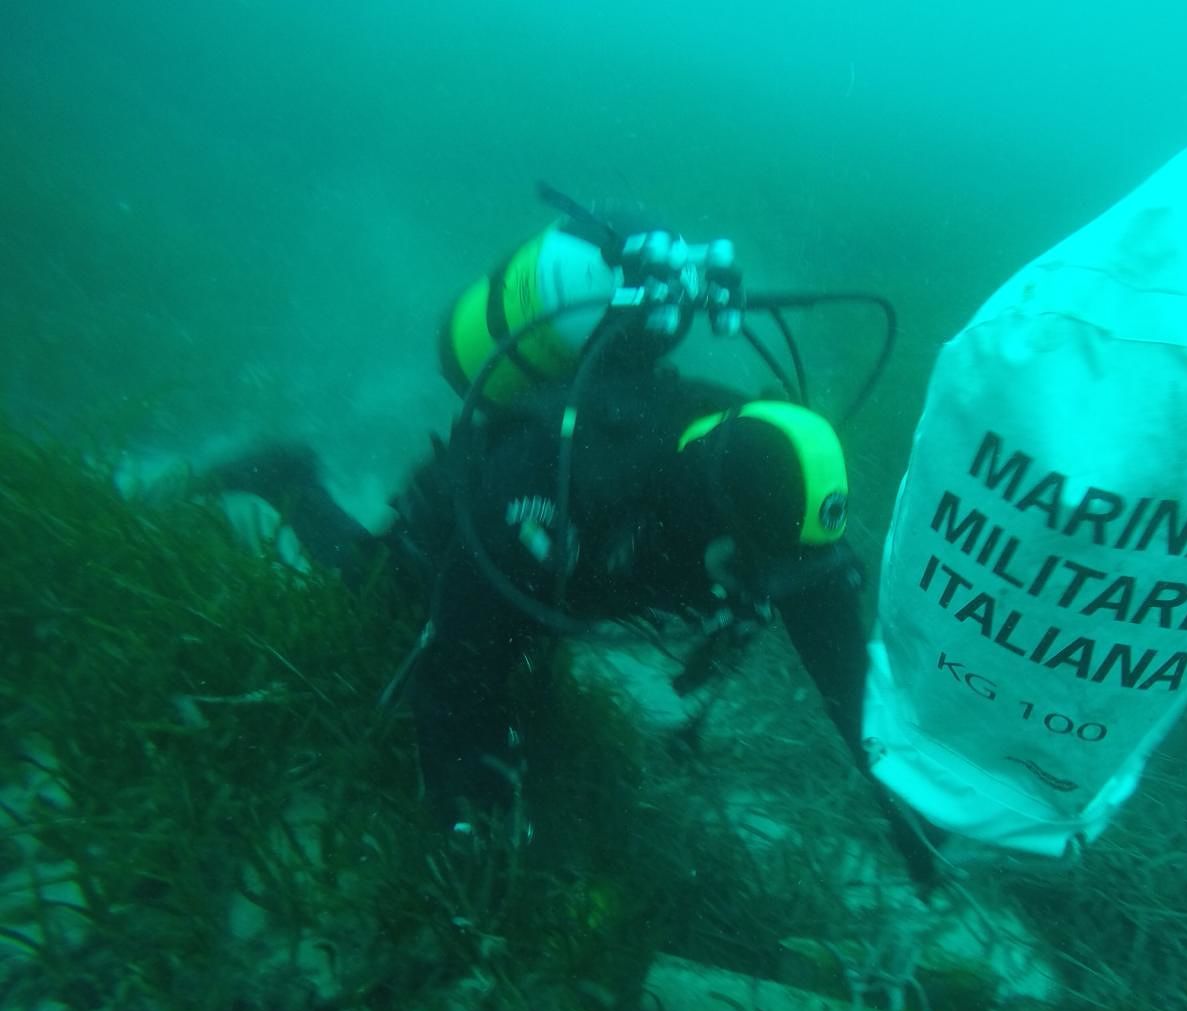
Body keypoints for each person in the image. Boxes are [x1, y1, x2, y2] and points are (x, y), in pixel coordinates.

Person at [214, 194, 943, 892]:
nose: (773, 592)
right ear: (710, 521)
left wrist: (903, 802)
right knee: (382, 597)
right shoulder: (559, 483)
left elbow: (839, 656)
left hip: (569, 554)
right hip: (478, 528)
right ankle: (287, 478)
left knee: (528, 624)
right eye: (760, 571)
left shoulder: (769, 506)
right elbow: (455, 664)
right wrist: (476, 820)